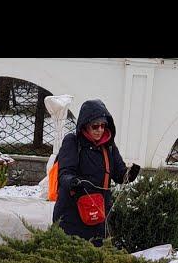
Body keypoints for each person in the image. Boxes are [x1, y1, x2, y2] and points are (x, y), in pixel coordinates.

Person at [53, 99, 141, 245]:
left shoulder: (109, 146)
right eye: (95, 126)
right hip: (72, 212)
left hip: (98, 213)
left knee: (95, 255)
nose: (100, 130)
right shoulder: (73, 142)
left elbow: (119, 175)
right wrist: (73, 181)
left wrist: (129, 174)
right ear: (85, 125)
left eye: (103, 125)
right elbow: (64, 172)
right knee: (70, 253)